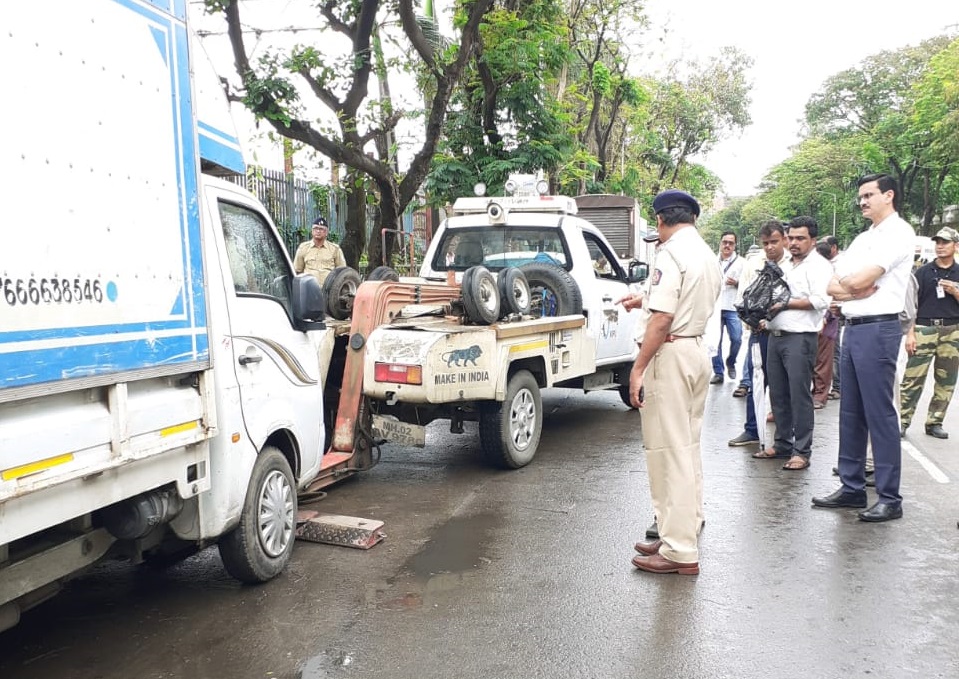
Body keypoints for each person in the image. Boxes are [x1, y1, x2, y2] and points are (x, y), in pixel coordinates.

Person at [618, 189, 720, 575]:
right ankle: (682, 529)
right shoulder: (704, 253)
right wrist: (641, 301)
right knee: (687, 448)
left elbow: (663, 319)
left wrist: (639, 367)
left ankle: (679, 550)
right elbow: (678, 305)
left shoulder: (670, 253)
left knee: (668, 450)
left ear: (661, 221)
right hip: (694, 349)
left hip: (671, 354)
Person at [813, 173, 915, 522]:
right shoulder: (863, 238)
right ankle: (852, 487)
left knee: (880, 415)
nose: (862, 201)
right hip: (852, 328)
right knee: (851, 413)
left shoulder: (899, 233)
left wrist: (853, 286)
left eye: (869, 195)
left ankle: (889, 496)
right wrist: (854, 289)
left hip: (878, 328)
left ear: (889, 195)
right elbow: (833, 284)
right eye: (861, 196)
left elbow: (854, 280)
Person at [750, 217, 833, 470]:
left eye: (801, 238)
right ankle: (783, 443)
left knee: (799, 396)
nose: (794, 243)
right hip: (774, 336)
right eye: (792, 238)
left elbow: (820, 300)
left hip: (800, 338)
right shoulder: (784, 264)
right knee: (778, 394)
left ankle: (801, 451)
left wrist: (785, 303)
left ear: (813, 240)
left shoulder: (818, 266)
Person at [727, 221, 789, 447]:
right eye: (766, 243)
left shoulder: (792, 265)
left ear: (785, 239)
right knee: (757, 382)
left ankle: (786, 438)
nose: (770, 247)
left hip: (787, 334)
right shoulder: (754, 264)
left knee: (784, 386)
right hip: (759, 333)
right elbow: (742, 298)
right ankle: (752, 429)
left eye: (774, 242)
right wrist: (751, 323)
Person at [899, 226, 959, 440]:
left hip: (952, 331)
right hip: (924, 328)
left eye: (945, 242)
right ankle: (903, 420)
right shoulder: (923, 272)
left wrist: (954, 291)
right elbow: (912, 305)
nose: (940, 246)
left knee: (946, 379)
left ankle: (935, 421)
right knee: (912, 378)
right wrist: (910, 333)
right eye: (938, 243)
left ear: (955, 246)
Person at [709, 231, 744, 384]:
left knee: (736, 338)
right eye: (725, 242)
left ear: (735, 245)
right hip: (715, 306)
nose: (727, 245)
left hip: (732, 305)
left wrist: (736, 283)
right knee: (714, 340)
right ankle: (718, 372)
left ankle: (731, 361)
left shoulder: (741, 263)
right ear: (720, 243)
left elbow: (748, 284)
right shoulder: (711, 261)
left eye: (731, 243)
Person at [811, 237, 842, 408]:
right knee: (812, 359)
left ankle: (820, 395)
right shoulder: (814, 270)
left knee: (824, 361)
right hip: (811, 321)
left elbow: (833, 297)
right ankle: (816, 390)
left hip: (827, 322)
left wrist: (825, 317)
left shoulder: (831, 273)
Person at [293, 216, 346, 285]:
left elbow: (342, 272)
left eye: (321, 229)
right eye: (315, 228)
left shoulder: (335, 249)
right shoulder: (303, 248)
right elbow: (297, 271)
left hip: (329, 291)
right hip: (309, 290)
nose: (318, 231)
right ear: (312, 231)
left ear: (326, 232)